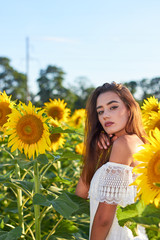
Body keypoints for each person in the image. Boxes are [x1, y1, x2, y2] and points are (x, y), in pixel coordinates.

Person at [75, 82, 148, 240]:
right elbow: (81, 194)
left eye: (113, 107)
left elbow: (104, 218)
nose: (105, 115)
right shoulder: (132, 143)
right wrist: (95, 153)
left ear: (129, 109)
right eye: (100, 111)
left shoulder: (124, 144)